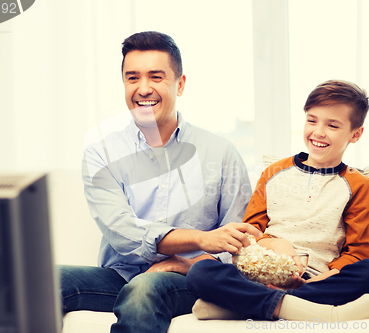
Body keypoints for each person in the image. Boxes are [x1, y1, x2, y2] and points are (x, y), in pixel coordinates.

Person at [59, 31, 262, 333]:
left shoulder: (220, 152)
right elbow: (124, 234)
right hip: (120, 276)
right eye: (132, 78)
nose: (143, 89)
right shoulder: (101, 153)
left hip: (190, 277)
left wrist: (192, 261)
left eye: (156, 77)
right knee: (39, 280)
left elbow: (238, 242)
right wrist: (200, 237)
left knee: (144, 289)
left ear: (180, 84)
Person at [187, 80, 369, 322]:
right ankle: (319, 312)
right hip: (263, 273)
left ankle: (245, 305)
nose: (318, 132)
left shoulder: (358, 184)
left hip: (315, 278)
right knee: (200, 272)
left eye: (333, 125)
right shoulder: (273, 172)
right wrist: (278, 246)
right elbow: (250, 233)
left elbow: (357, 252)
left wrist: (324, 277)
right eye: (312, 120)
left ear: (355, 134)